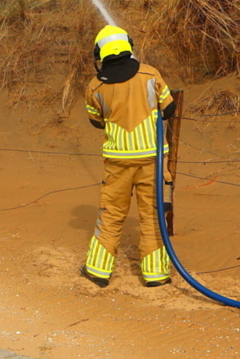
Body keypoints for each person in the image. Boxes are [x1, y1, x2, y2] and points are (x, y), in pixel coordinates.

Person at [81, 25, 176, 288]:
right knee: (152, 216)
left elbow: (96, 121)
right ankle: (156, 274)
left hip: (117, 163)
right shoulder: (150, 74)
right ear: (128, 45)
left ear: (101, 53)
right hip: (152, 162)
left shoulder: (95, 85)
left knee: (111, 215)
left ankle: (97, 270)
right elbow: (169, 108)